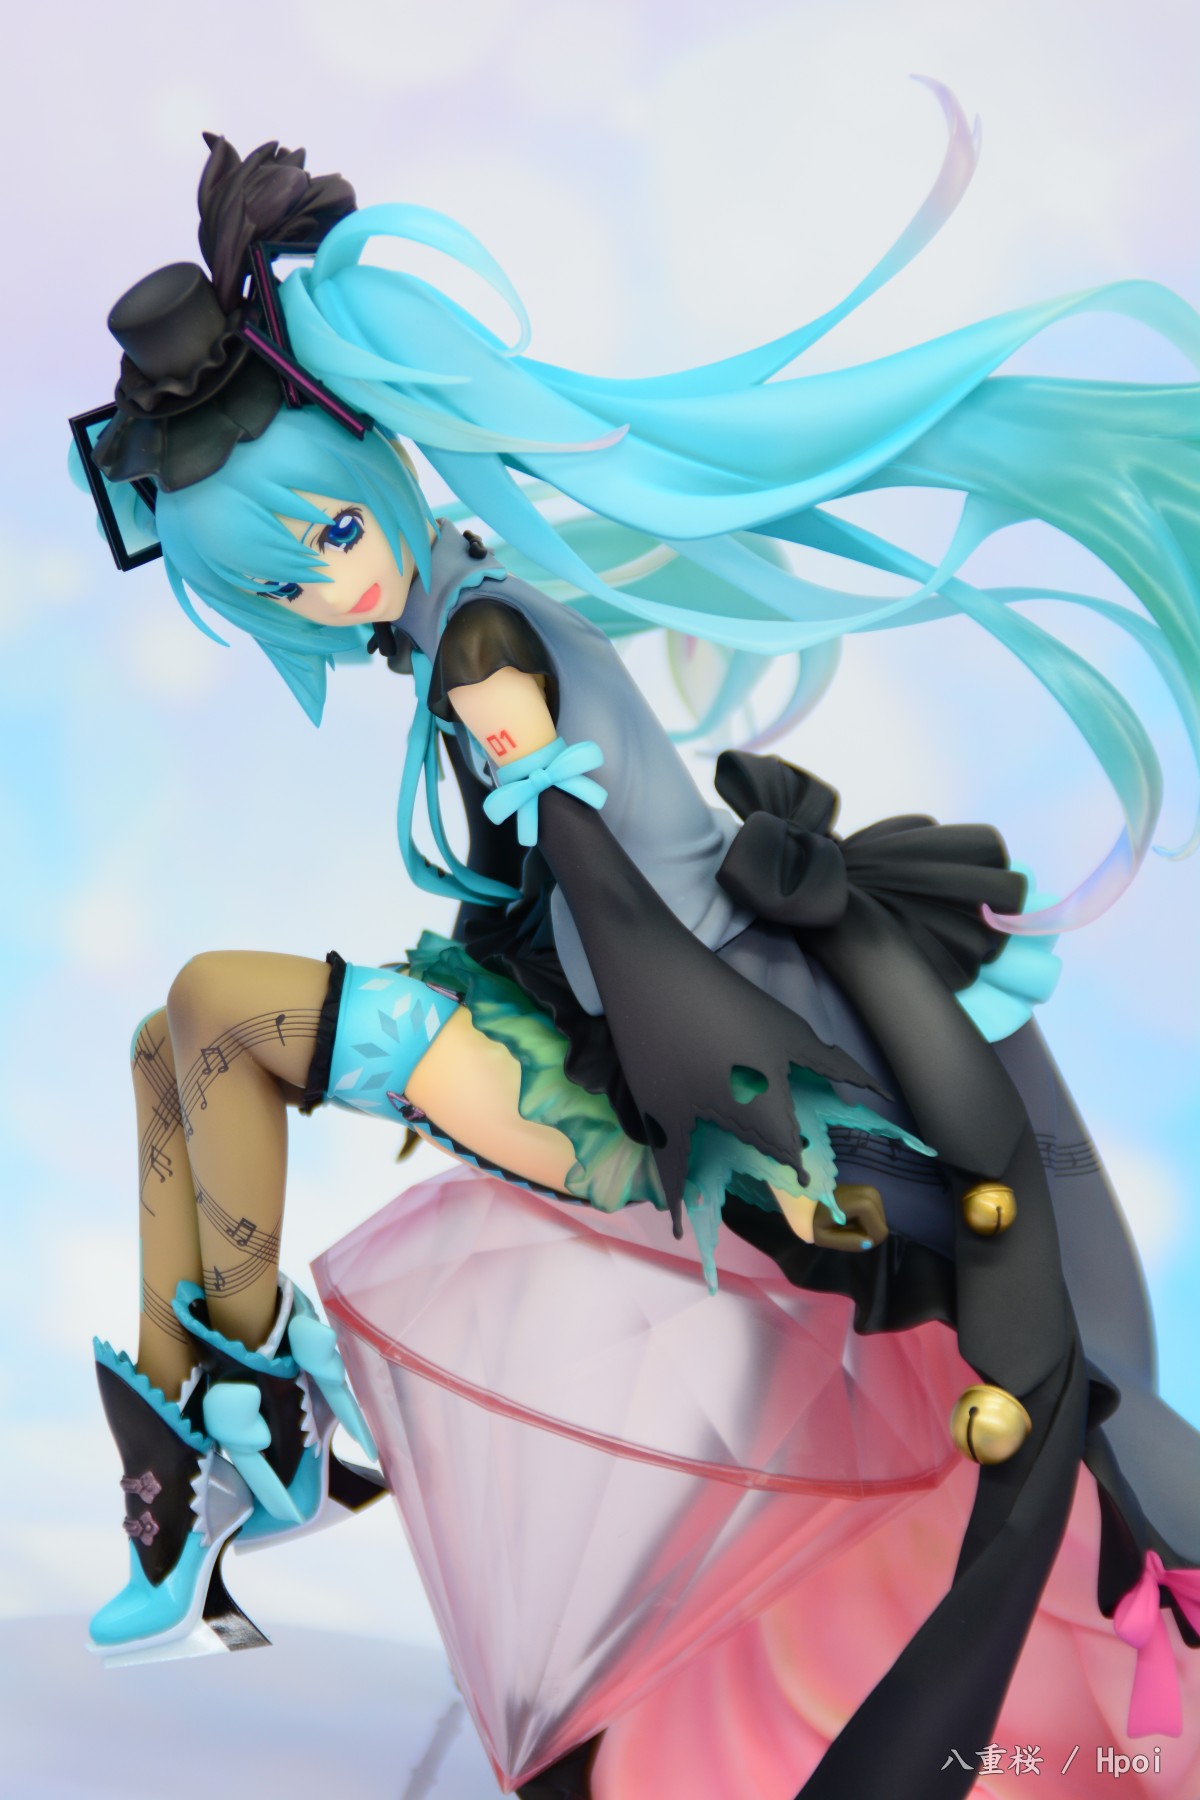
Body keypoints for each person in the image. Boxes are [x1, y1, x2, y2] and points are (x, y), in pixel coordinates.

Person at [71, 110, 1200, 1800]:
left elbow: (596, 872)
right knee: (165, 1045)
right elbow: (546, 869)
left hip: (656, 1077)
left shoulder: (482, 644)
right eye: (274, 584)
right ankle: (210, 1463)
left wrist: (708, 1092)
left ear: (377, 469)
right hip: (585, 1019)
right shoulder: (456, 605)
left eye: (327, 538)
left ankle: (255, 1442)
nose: (321, 589)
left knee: (220, 1015)